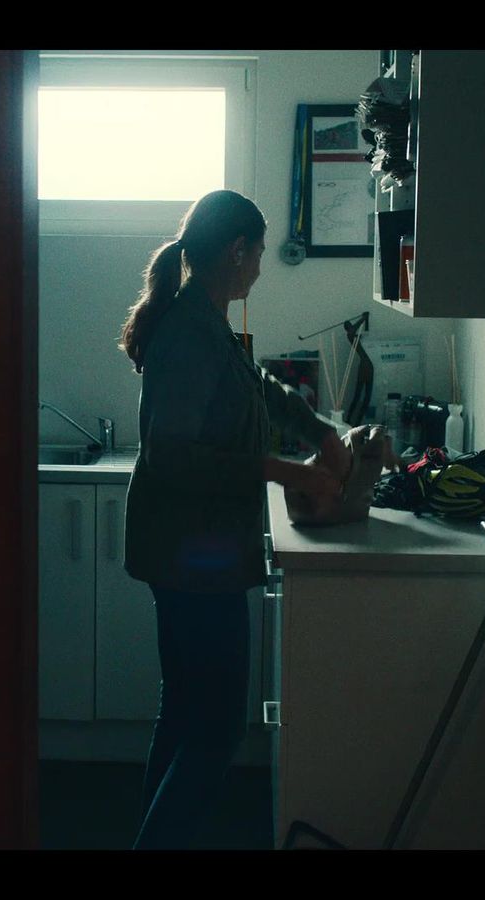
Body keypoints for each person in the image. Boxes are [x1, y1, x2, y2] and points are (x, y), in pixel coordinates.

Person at [118, 189, 348, 849]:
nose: (260, 269)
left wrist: (317, 429)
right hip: (195, 557)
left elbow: (256, 390)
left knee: (188, 715)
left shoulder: (207, 319)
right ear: (236, 251)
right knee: (216, 730)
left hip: (187, 551)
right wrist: (291, 470)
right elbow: (176, 458)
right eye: (258, 254)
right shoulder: (190, 331)